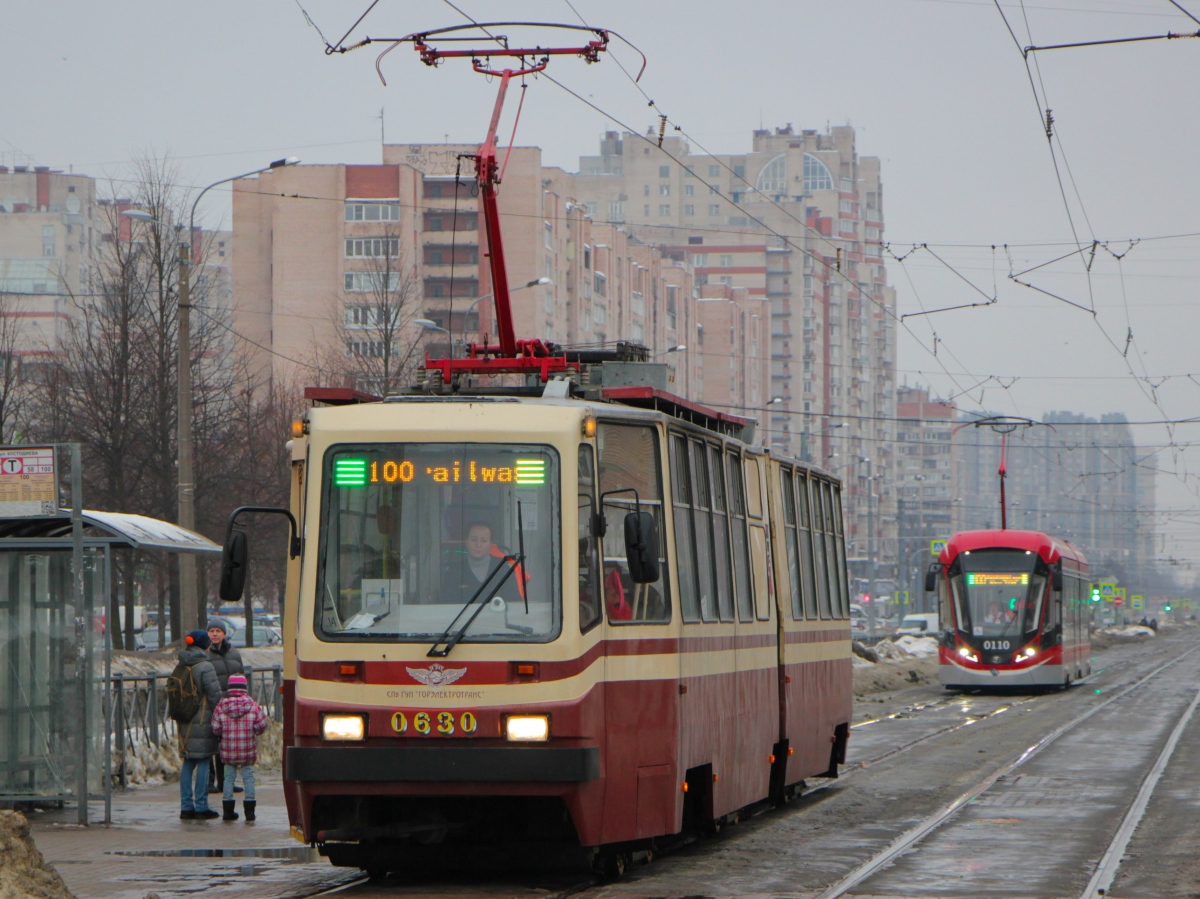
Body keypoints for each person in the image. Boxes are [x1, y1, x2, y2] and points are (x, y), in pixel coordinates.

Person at [177, 630, 223, 820]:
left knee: (188, 762)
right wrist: (221, 715)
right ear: (204, 645)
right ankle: (201, 807)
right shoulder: (205, 666)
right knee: (204, 760)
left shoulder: (182, 663)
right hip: (203, 718)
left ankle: (186, 807)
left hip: (184, 718)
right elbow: (215, 695)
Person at [210, 674, 270, 822]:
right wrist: (254, 730)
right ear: (245, 688)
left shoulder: (221, 706)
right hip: (247, 750)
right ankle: (250, 812)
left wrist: (223, 734)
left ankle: (228, 811)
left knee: (228, 778)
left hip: (228, 752)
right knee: (248, 778)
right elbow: (262, 725)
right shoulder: (252, 705)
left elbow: (215, 728)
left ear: (229, 689)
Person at [441, 521, 526, 605]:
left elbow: (515, 604)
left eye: (484, 540)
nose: (478, 545)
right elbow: (446, 608)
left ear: (490, 544)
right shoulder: (453, 571)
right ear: (466, 542)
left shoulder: (503, 567)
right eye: (473, 540)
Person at [206, 619, 244, 794]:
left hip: (230, 707)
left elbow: (241, 678)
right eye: (211, 631)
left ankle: (226, 782)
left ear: (224, 634)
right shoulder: (205, 654)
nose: (214, 634)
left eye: (218, 631)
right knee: (210, 745)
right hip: (210, 706)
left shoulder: (234, 654)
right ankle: (209, 781)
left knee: (227, 746)